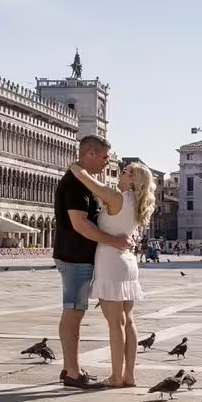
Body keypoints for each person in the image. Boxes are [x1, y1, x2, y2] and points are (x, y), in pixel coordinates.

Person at [69, 158, 156, 388]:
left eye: (123, 171)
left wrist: (77, 167)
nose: (119, 173)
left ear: (131, 178)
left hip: (110, 260)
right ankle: (129, 375)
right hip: (128, 263)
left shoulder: (117, 197)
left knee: (115, 323)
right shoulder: (137, 203)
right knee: (129, 322)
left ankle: (116, 377)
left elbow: (86, 180)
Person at [53, 135, 130, 389]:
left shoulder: (86, 181)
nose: (108, 161)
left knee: (75, 311)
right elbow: (80, 224)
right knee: (73, 312)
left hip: (79, 256)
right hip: (75, 256)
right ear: (91, 154)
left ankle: (70, 368)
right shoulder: (76, 184)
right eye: (106, 156)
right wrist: (112, 241)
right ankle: (73, 373)